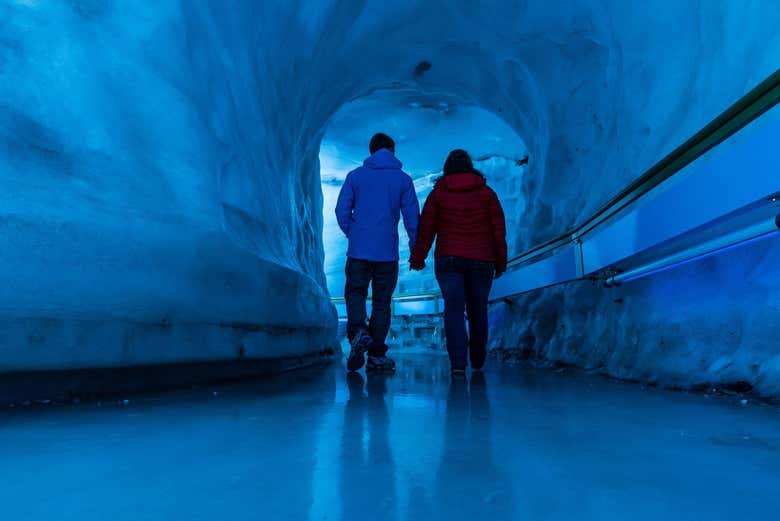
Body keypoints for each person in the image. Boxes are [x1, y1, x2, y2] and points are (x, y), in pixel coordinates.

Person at [409, 149, 507, 376]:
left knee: (453, 310)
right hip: (483, 260)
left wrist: (418, 258)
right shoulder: (486, 194)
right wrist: (500, 263)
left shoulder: (438, 194)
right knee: (478, 310)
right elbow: (498, 232)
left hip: (449, 260)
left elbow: (427, 230)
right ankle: (478, 361)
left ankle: (457, 365)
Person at [336, 133, 420, 372]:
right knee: (382, 302)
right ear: (392, 150)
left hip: (358, 251)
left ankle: (359, 332)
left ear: (371, 151)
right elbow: (412, 218)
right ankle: (376, 355)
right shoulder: (403, 180)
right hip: (387, 254)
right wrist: (416, 247)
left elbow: (342, 210)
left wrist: (353, 232)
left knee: (355, 292)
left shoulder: (355, 177)